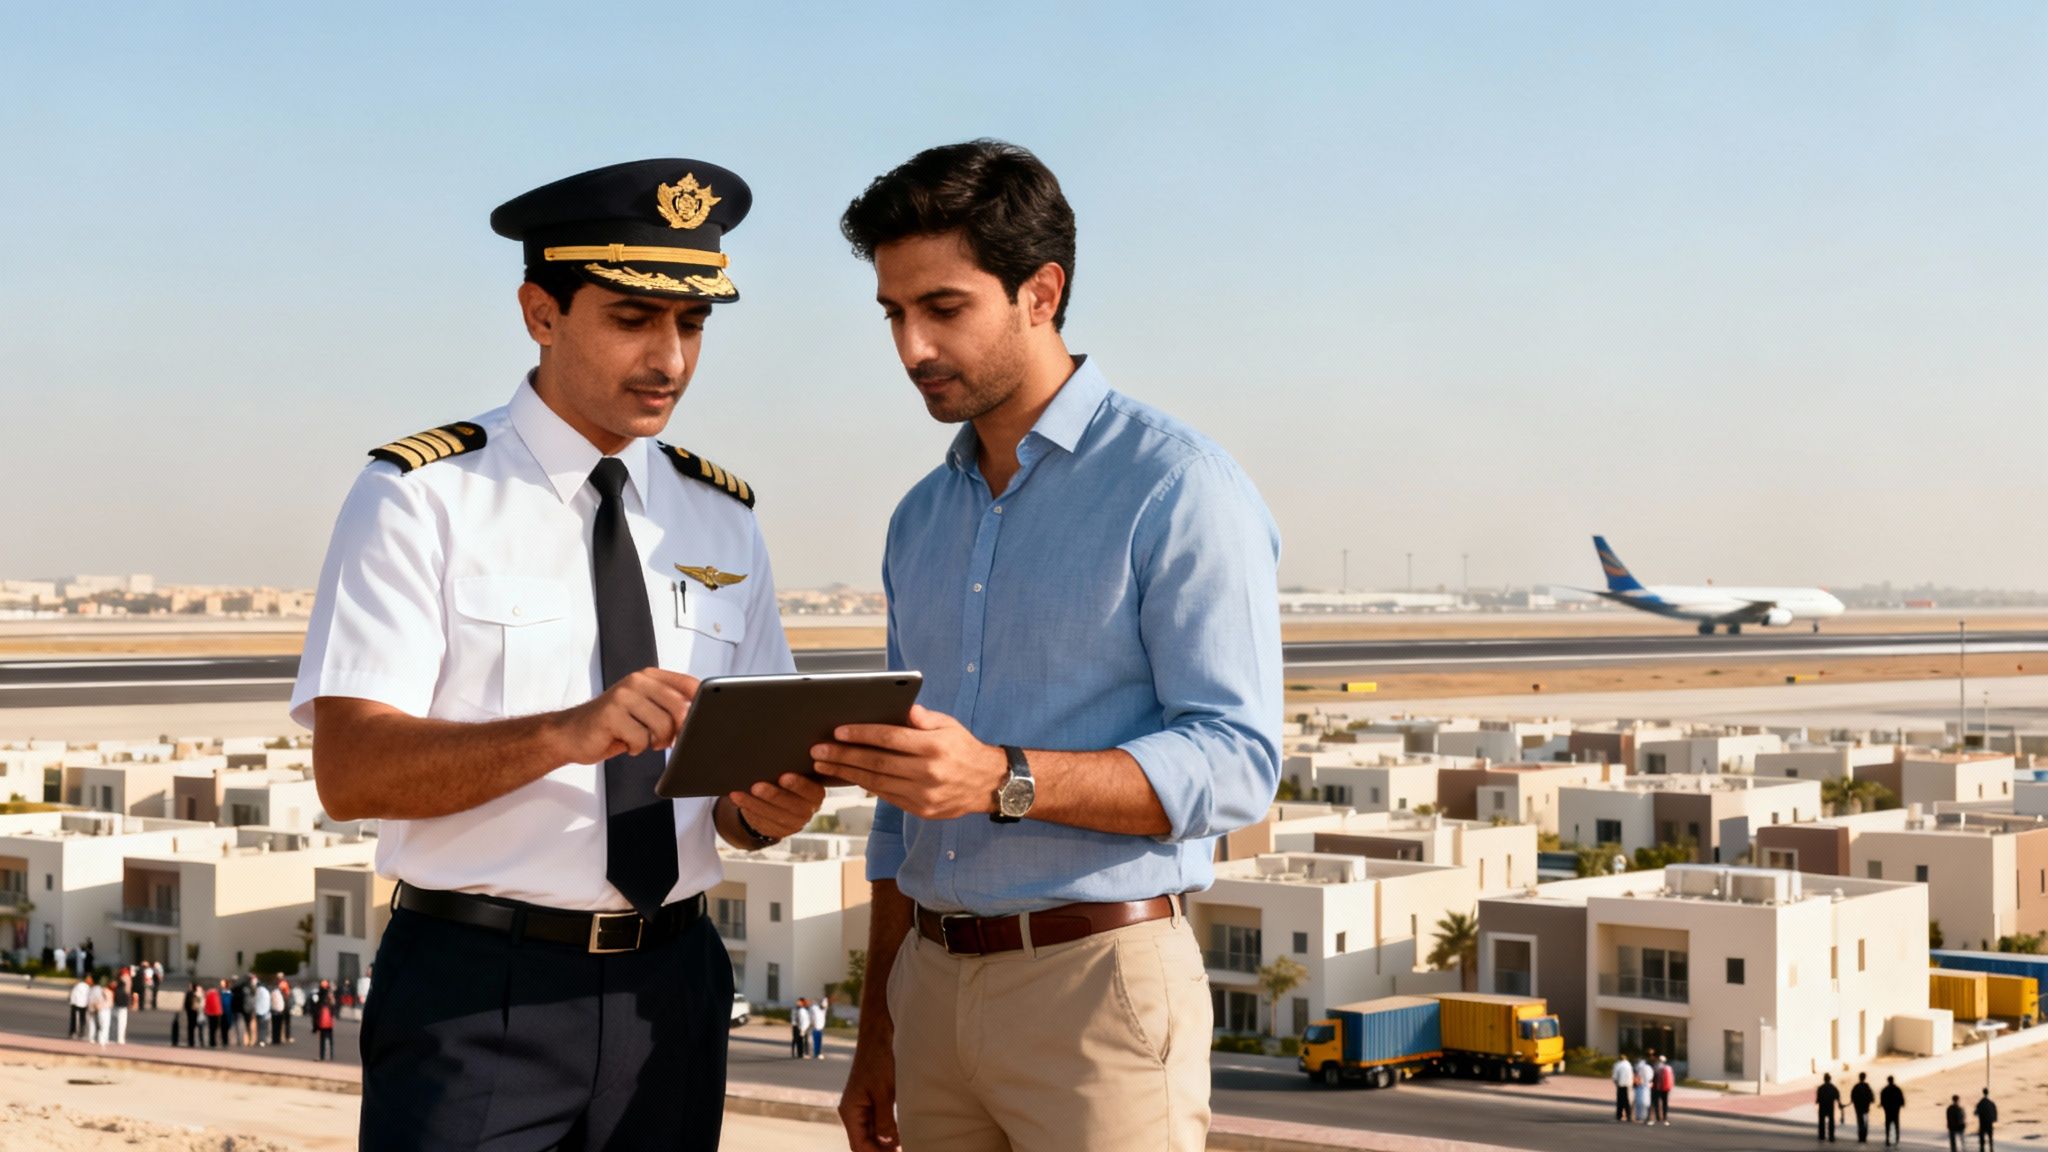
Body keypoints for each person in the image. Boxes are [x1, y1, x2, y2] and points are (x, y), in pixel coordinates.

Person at [291, 157, 822, 1151]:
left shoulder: (722, 516)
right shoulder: (422, 497)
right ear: (541, 312)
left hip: (674, 984)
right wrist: (567, 733)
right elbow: (351, 770)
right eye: (632, 318)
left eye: (693, 324)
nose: (669, 358)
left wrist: (764, 809)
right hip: (480, 989)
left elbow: (739, 795)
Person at [827, 139, 1282, 1152]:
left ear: (1040, 292)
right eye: (894, 314)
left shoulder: (1176, 487)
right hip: (929, 993)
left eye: (942, 309)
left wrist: (1002, 776)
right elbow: (903, 822)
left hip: (1097, 994)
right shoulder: (918, 519)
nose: (910, 347)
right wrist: (881, 1033)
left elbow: (1240, 763)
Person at [313, 983, 336, 1062]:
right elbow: (333, 1006)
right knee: (329, 1038)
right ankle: (330, 1056)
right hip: (329, 1020)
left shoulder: (319, 996)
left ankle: (322, 1056)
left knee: (322, 1039)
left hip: (323, 1020)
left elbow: (316, 1011)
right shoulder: (330, 995)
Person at [1878, 1076, 1904, 1147]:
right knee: (1896, 1124)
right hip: (1895, 1110)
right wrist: (1900, 1104)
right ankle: (1896, 1139)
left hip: (1888, 1110)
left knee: (1888, 1125)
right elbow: (1901, 1100)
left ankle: (1887, 1139)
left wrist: (1882, 1105)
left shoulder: (1885, 1090)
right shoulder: (1897, 1089)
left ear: (1888, 1081)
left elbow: (1882, 1100)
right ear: (1893, 1080)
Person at [1850, 1072, 1875, 1143]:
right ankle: (1864, 1137)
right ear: (1865, 1077)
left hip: (1858, 1108)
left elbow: (1852, 1096)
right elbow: (1871, 1097)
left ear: (1859, 1077)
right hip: (1866, 1108)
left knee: (1860, 1122)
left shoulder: (1856, 1086)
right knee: (1865, 1122)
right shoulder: (1867, 1086)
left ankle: (1861, 1137)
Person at [1817, 1073, 1842, 1142]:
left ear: (1824, 1079)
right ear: (1830, 1079)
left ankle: (1822, 1136)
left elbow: (1818, 1099)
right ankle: (1831, 1136)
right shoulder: (1833, 1087)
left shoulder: (1820, 1088)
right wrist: (1840, 1104)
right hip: (1830, 1106)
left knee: (1821, 1121)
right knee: (1831, 1121)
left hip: (1822, 1106)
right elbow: (1837, 1097)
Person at [66, 973, 91, 1039]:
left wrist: (71, 1001)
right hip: (82, 1004)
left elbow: (72, 994)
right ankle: (81, 1033)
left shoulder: (77, 985)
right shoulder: (86, 986)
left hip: (75, 1003)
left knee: (74, 1019)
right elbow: (88, 996)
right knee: (82, 1019)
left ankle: (73, 1032)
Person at [1653, 1053, 1674, 1125]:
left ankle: (1658, 1117)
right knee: (1665, 1103)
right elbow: (1672, 1078)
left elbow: (1654, 1077)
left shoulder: (1656, 1067)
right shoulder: (1669, 1068)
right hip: (1666, 1088)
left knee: (1656, 1103)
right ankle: (1665, 1117)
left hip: (1658, 1088)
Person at [91, 979, 112, 1048]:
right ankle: (103, 1040)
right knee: (105, 1025)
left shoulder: (98, 991)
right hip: (105, 1010)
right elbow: (110, 1002)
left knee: (102, 1025)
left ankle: (102, 1039)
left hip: (101, 1010)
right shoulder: (108, 992)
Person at [111, 968, 129, 1044]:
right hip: (118, 1005)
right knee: (119, 1023)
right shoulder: (118, 985)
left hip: (121, 1005)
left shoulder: (117, 984)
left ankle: (119, 1038)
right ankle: (117, 1038)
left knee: (120, 1024)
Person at [1633, 1053, 1652, 1124]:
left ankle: (1639, 1116)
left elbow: (1637, 1078)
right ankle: (1645, 1116)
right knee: (1645, 1103)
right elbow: (1650, 1077)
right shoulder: (1648, 1068)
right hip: (1646, 1087)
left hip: (1640, 1087)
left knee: (1639, 1103)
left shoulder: (1639, 1068)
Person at [203, 981, 223, 1047]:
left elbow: (206, 1004)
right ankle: (213, 1042)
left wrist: (206, 1011)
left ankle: (212, 1042)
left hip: (211, 1013)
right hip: (216, 1013)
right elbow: (218, 1004)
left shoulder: (208, 994)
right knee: (215, 1028)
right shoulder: (216, 994)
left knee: (212, 1028)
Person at [182, 982, 202, 1049]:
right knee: (193, 1027)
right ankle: (193, 1041)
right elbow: (199, 1003)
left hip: (190, 1012)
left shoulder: (189, 993)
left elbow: (185, 1003)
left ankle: (191, 1041)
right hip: (194, 1012)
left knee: (190, 1027)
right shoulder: (196, 994)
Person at [253, 978, 272, 1046]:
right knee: (264, 1027)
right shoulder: (266, 991)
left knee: (260, 1028)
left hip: (259, 1012)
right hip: (266, 1012)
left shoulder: (258, 991)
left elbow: (255, 1001)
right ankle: (264, 1040)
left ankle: (260, 1040)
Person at [811, 994, 828, 1060]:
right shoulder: (815, 1008)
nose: (824, 1007)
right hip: (816, 1028)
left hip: (820, 1028)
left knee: (819, 1041)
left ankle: (818, 1053)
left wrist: (824, 999)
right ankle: (816, 1054)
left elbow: (825, 1003)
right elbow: (812, 1015)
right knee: (816, 1042)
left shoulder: (824, 1010)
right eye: (823, 1005)